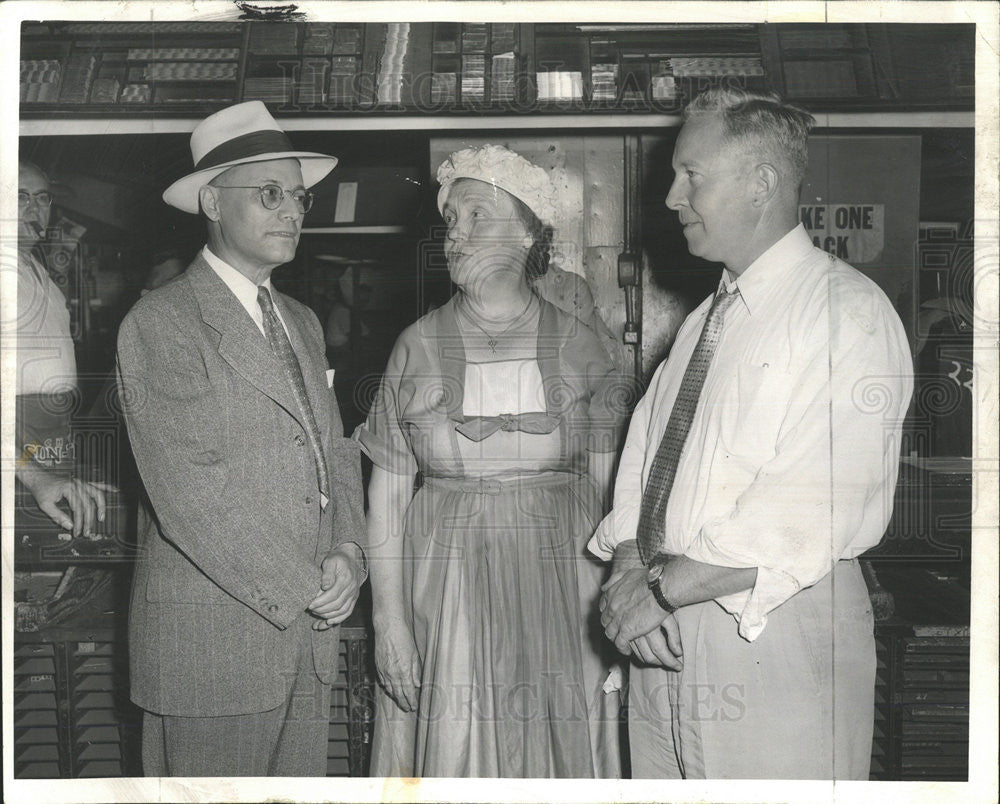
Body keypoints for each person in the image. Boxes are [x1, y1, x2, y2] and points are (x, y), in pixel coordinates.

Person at [594, 88, 914, 780]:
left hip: (769, 627)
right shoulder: (704, 321)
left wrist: (654, 592)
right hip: (664, 626)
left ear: (762, 182)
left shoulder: (845, 314)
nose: (674, 196)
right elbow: (646, 457)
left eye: (692, 176)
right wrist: (628, 567)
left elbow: (809, 506)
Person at [357, 144, 628, 777]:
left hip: (565, 588)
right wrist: (389, 625)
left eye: (476, 215)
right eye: (450, 218)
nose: (456, 232)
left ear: (529, 229)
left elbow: (615, 491)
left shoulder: (582, 347)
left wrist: (620, 605)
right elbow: (389, 498)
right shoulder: (414, 346)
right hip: (444, 589)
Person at [116, 101, 367, 777]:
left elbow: (333, 449)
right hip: (214, 650)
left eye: (300, 197)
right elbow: (191, 496)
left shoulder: (303, 321)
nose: (293, 211)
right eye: (270, 193)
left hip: (308, 644)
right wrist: (307, 585)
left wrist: (348, 548)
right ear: (211, 201)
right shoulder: (162, 323)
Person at [14, 160, 109, 537]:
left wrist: (68, 474)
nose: (32, 208)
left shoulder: (32, 268)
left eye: (41, 198)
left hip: (47, 448)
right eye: (18, 197)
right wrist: (36, 478)